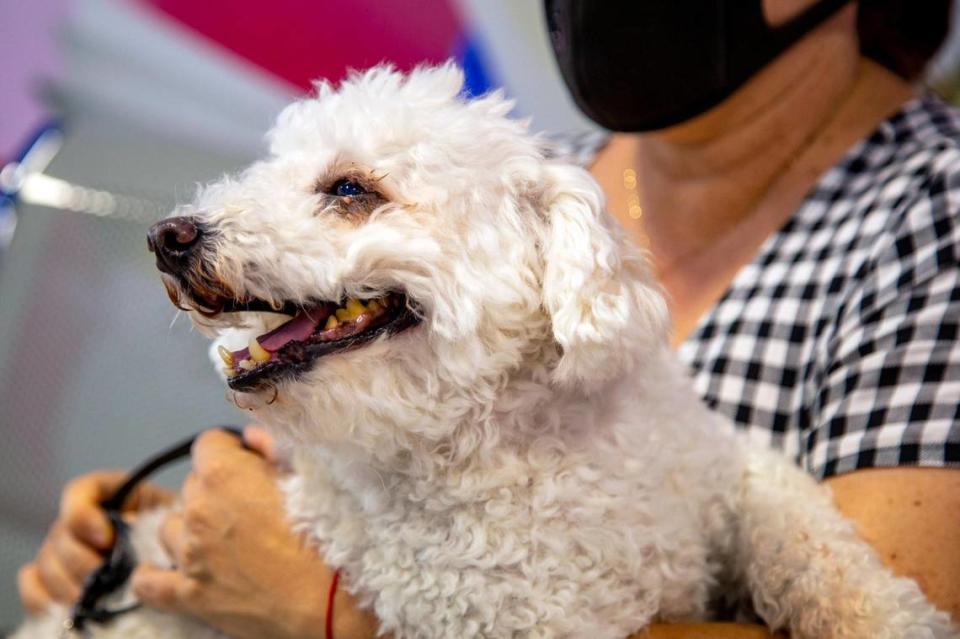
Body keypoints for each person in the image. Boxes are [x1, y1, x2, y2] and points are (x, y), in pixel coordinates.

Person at [17, 0, 960, 636]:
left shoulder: (934, 212)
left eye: (353, 193)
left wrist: (331, 609)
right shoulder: (528, 167)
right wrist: (160, 544)